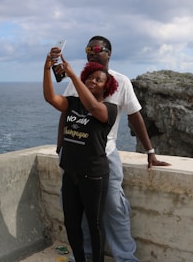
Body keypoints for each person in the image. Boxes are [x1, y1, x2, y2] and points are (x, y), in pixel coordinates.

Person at [56, 36, 171, 262]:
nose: (92, 52)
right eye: (88, 48)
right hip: (75, 158)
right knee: (79, 212)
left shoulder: (121, 82)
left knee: (115, 207)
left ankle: (125, 258)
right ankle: (84, 256)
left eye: (97, 48)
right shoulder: (80, 81)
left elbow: (134, 116)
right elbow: (66, 113)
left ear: (109, 53)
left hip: (105, 156)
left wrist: (150, 152)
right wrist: (60, 146)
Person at [44, 48, 119, 262]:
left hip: (93, 176)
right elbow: (50, 98)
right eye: (90, 78)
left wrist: (74, 76)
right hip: (71, 173)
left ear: (107, 87)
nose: (93, 81)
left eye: (99, 80)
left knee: (94, 225)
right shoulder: (72, 103)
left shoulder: (108, 109)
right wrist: (46, 68)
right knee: (72, 223)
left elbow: (94, 107)